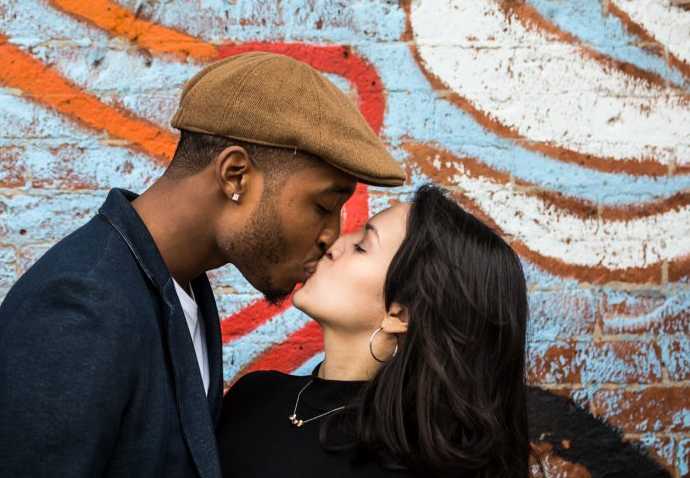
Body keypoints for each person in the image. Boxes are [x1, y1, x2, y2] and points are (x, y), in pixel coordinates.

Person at [0, 52, 405, 477]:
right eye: (323, 205)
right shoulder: (82, 305)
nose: (332, 233)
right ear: (235, 175)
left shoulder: (179, 289)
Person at [217, 184, 533, 477]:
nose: (332, 244)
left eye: (361, 246)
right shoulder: (252, 395)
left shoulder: (405, 463)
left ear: (398, 314)